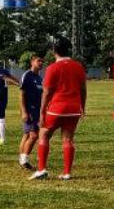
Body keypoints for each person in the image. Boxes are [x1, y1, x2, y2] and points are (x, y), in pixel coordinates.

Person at [31, 38, 87, 181]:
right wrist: (82, 107)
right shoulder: (78, 66)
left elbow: (47, 92)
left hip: (57, 108)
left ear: (54, 51)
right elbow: (83, 90)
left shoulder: (52, 68)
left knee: (44, 134)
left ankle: (42, 169)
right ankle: (67, 173)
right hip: (74, 108)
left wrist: (42, 112)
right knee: (68, 139)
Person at [18, 54, 44, 170]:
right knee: (33, 135)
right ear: (32, 62)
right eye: (39, 61)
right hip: (30, 110)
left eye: (42, 61)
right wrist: (24, 111)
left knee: (27, 135)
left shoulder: (39, 78)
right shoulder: (27, 76)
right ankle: (24, 160)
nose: (41, 63)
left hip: (37, 110)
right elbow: (22, 94)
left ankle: (22, 158)